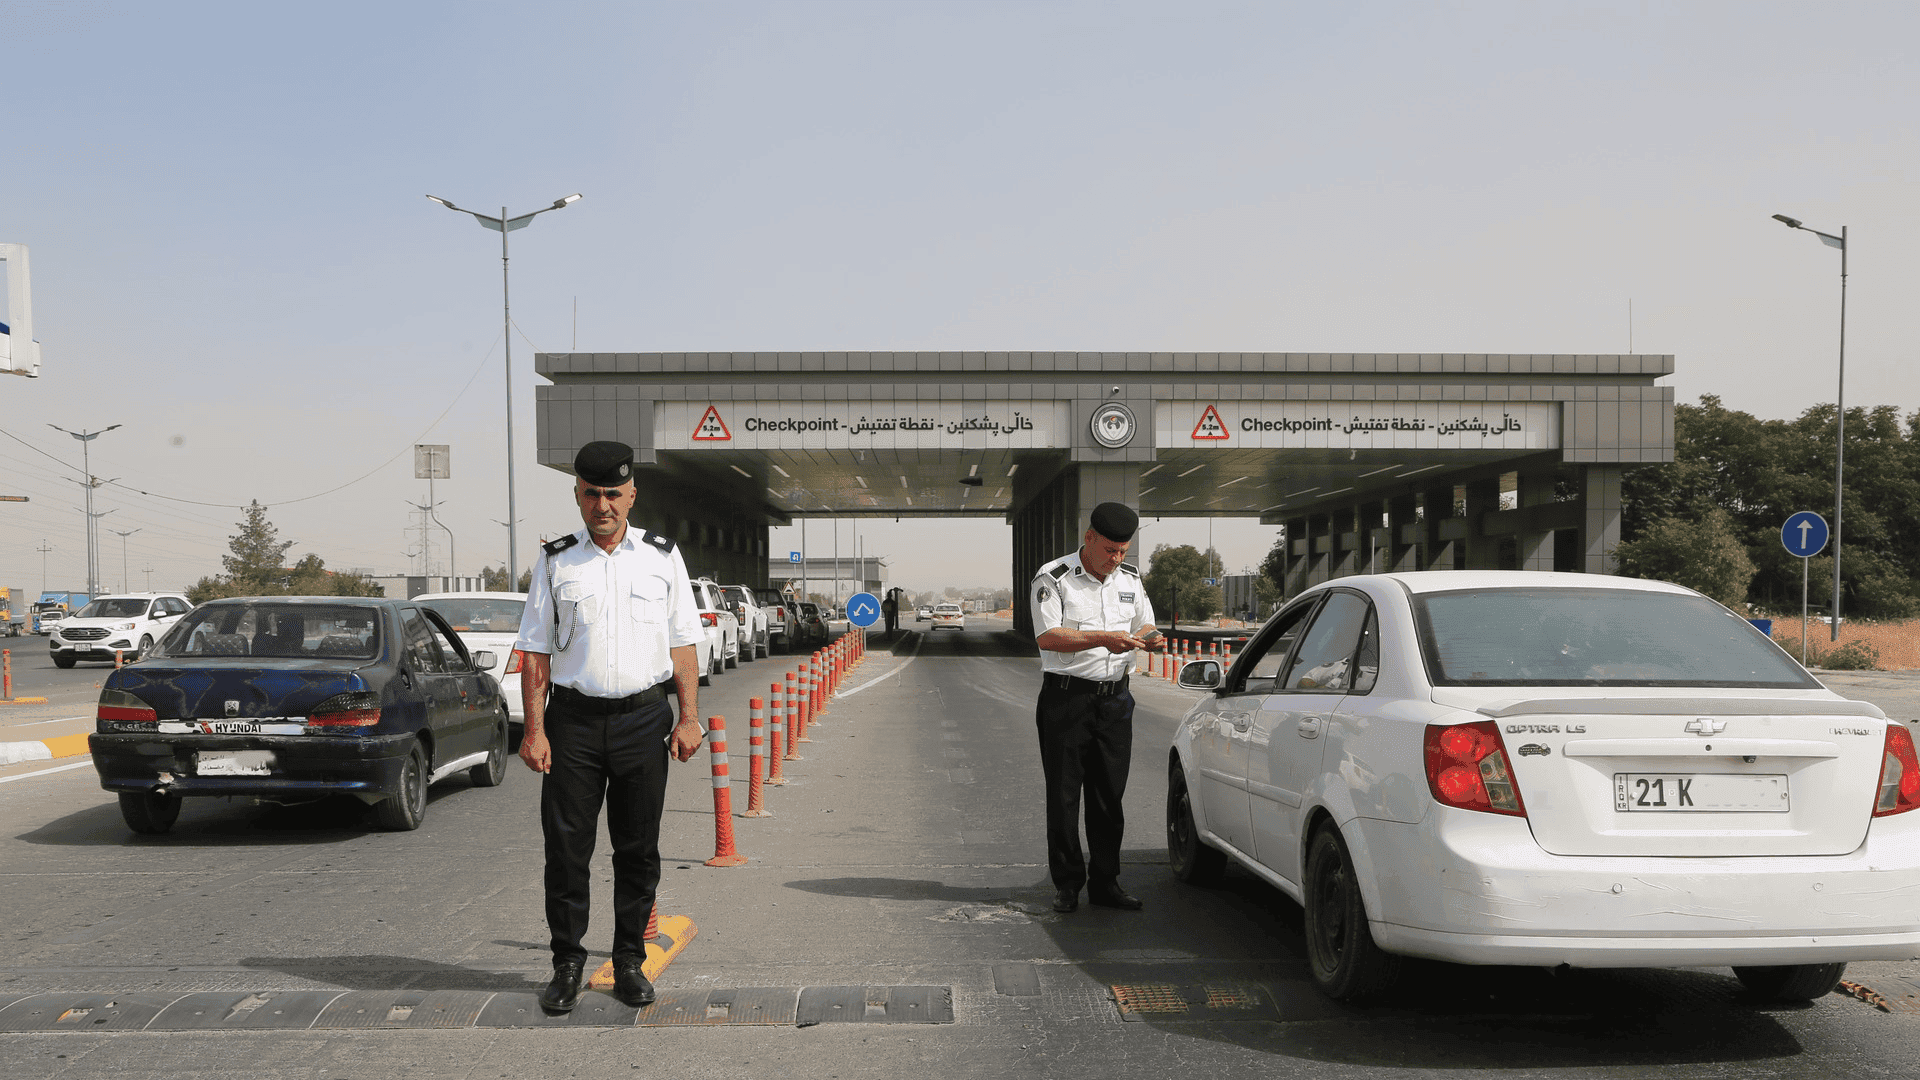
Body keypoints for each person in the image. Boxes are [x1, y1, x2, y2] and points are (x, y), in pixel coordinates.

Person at [515, 441, 707, 1013]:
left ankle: (629, 961)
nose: (603, 504)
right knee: (567, 850)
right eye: (591, 493)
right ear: (578, 495)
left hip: (643, 719)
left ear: (631, 495)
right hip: (572, 723)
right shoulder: (555, 561)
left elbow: (682, 644)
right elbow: (534, 652)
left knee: (637, 848)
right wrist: (534, 730)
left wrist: (689, 718)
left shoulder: (662, 557)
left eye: (613, 494)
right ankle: (566, 963)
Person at [1029, 501, 1161, 914]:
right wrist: (1103, 638)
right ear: (1089, 538)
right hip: (1068, 699)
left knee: (1109, 798)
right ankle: (1068, 884)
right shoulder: (1054, 578)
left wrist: (1151, 637)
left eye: (1123, 551)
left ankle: (1106, 882)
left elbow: (1145, 622)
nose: (1116, 559)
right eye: (1109, 550)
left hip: (1115, 702)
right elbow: (1048, 637)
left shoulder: (1131, 579)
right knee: (1065, 796)